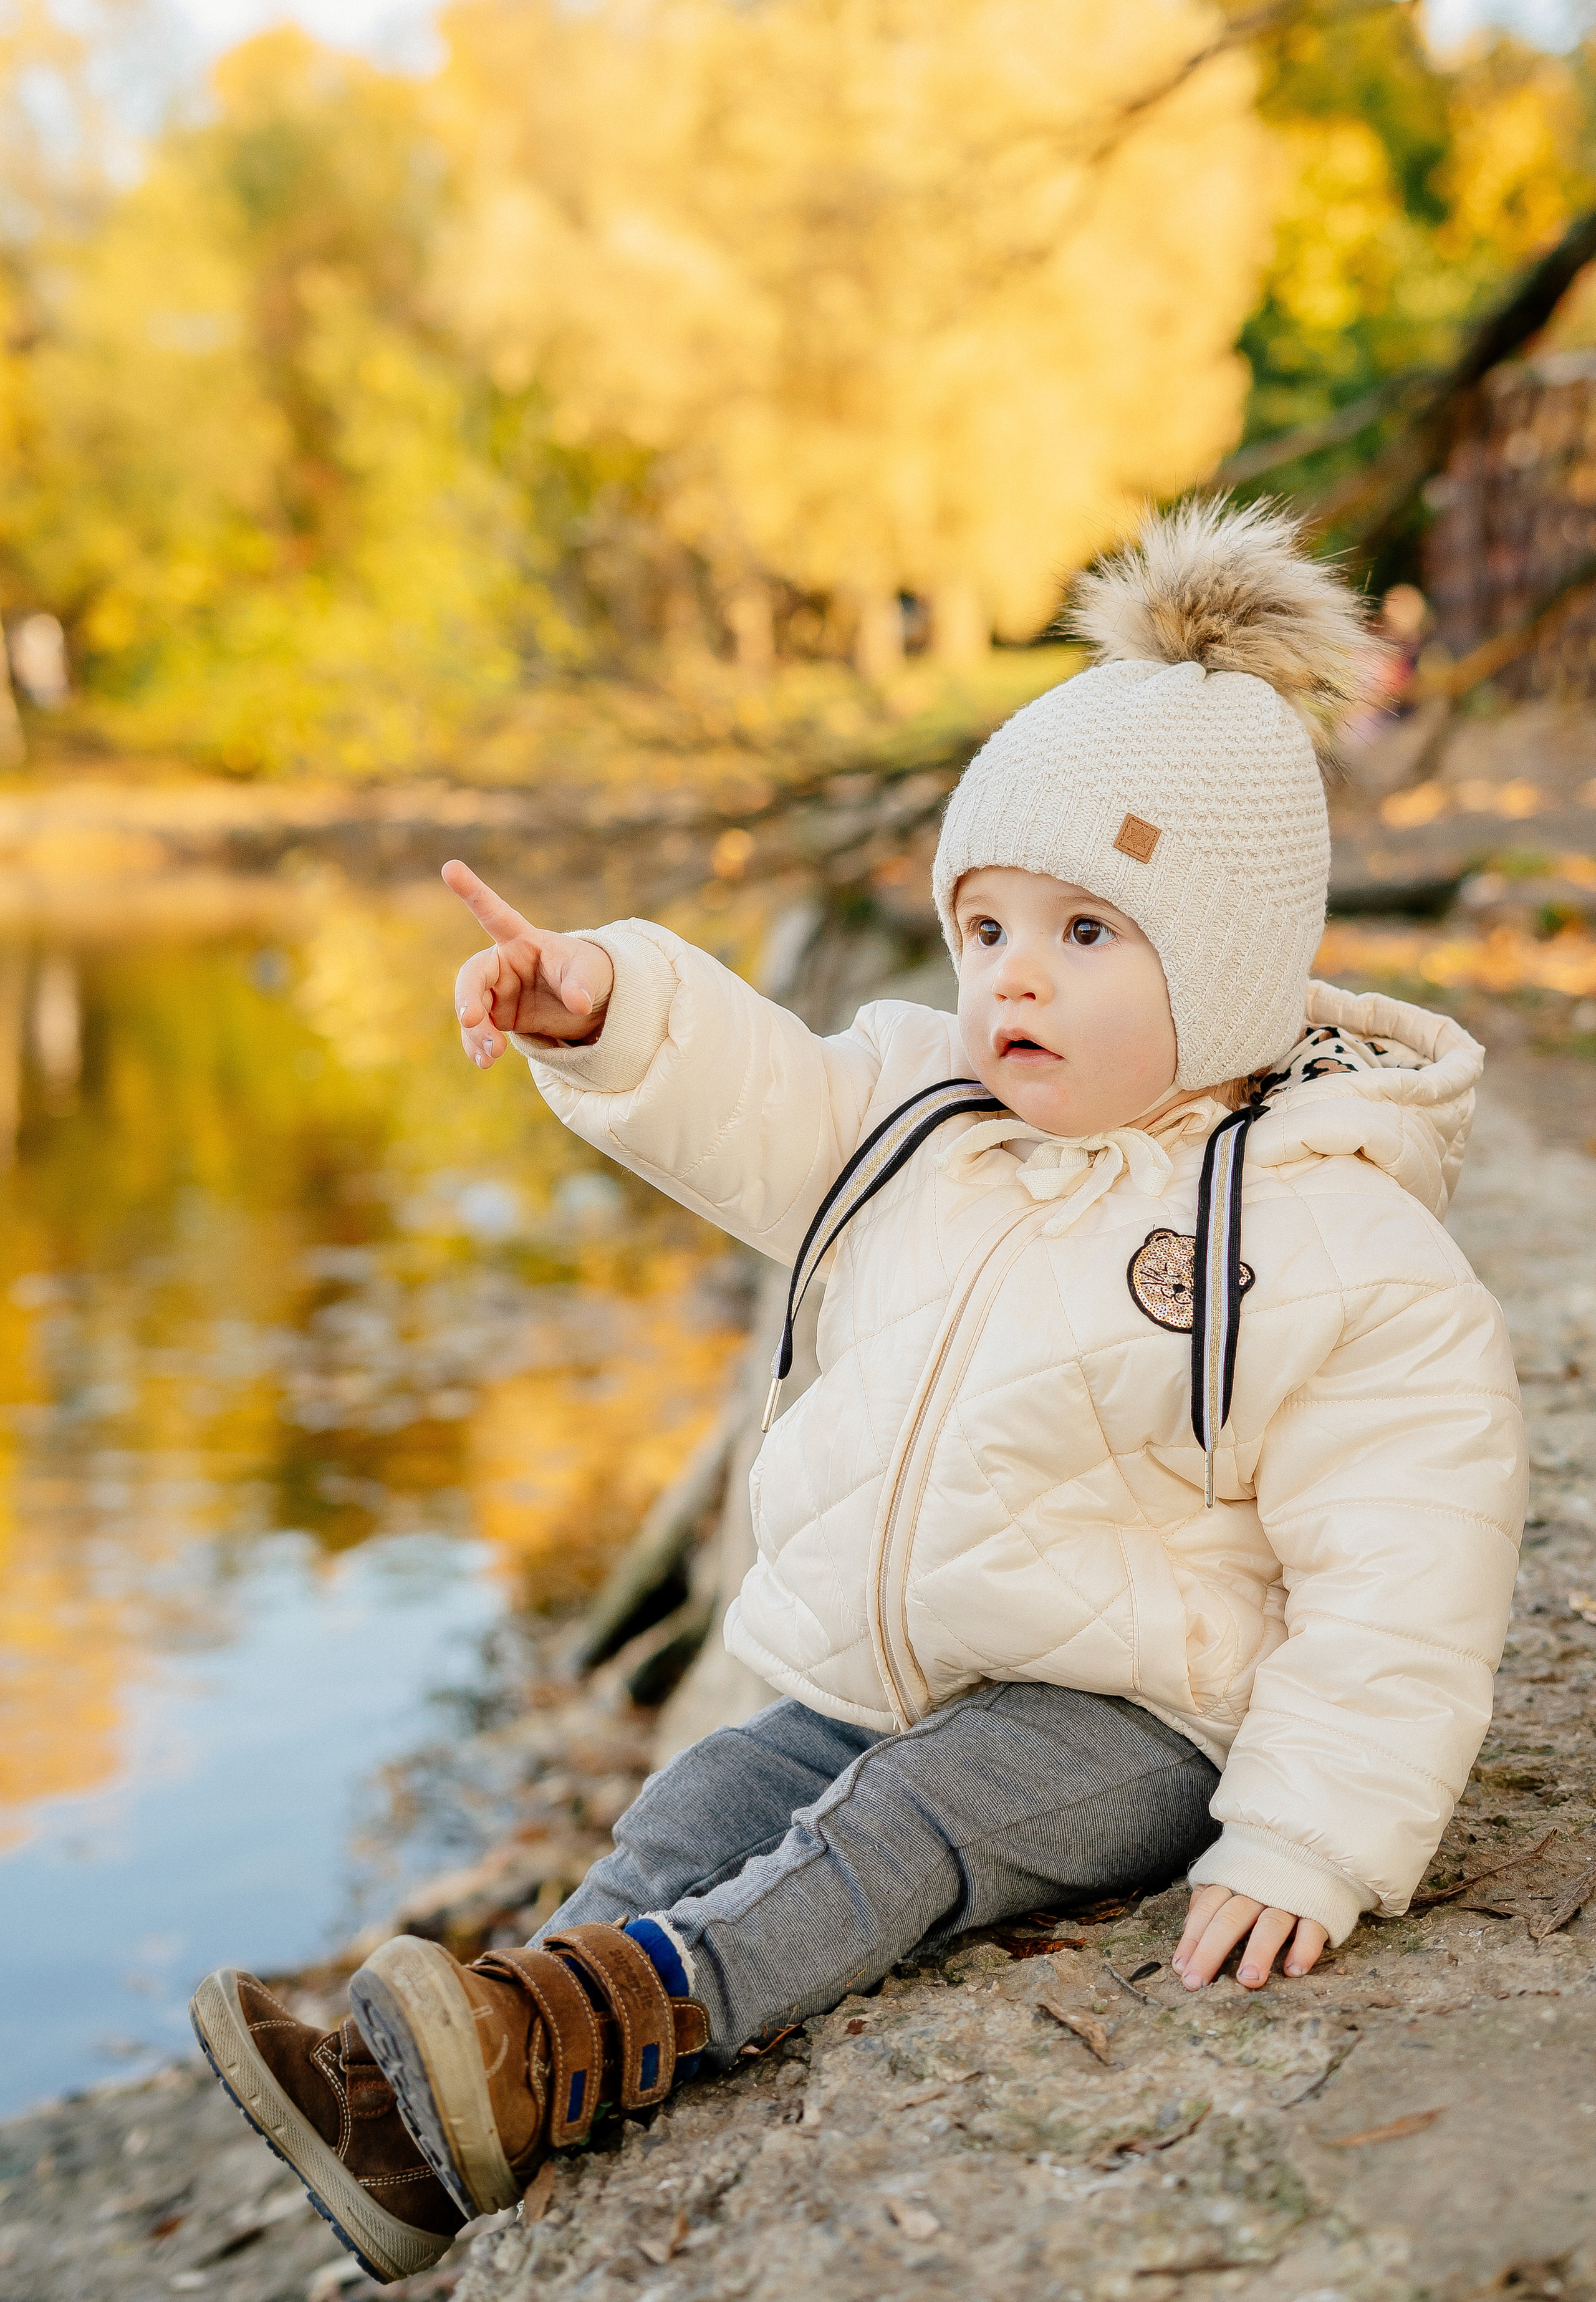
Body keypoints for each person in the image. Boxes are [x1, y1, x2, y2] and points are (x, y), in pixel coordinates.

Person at [189, 498, 1525, 2283]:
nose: (1011, 977)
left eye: (1084, 932)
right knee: (701, 1801)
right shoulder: (920, 1115)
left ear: (1228, 966)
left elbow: (1412, 1563)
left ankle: (602, 2025)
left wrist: (1312, 1833)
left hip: (1141, 1716)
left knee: (897, 1830)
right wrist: (603, 1003)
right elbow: (759, 1095)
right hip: (888, 1674)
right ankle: (432, 2108)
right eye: (982, 928)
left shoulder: (1324, 1232)